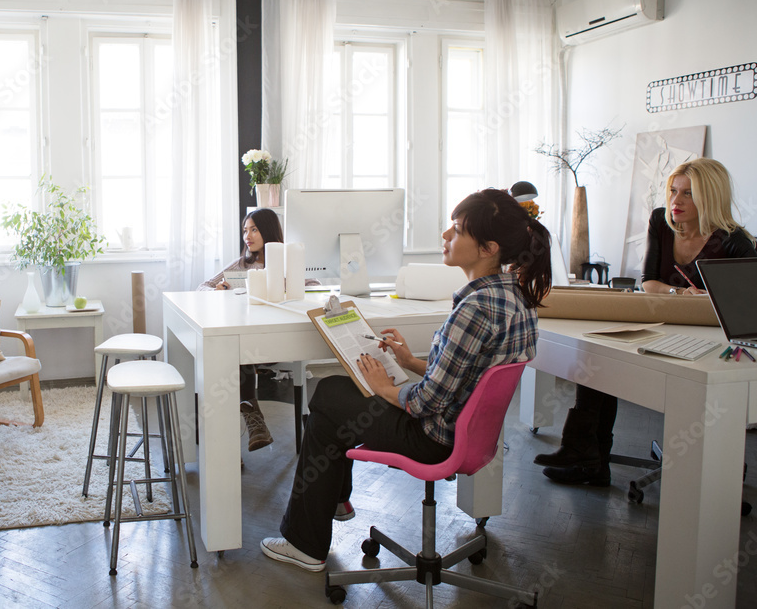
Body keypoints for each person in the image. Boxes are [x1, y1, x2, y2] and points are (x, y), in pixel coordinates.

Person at [260, 188, 553, 572]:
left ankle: (306, 540)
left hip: (432, 438)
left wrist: (385, 387)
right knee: (339, 397)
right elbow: (467, 376)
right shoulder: (515, 297)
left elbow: (425, 403)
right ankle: (334, 499)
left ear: (488, 248)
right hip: (470, 437)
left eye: (459, 230)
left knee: (329, 393)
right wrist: (411, 362)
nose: (447, 236)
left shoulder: (476, 307)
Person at [534, 158, 756, 485]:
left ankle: (712, 480)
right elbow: (648, 280)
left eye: (688, 194)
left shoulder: (736, 242)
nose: (675, 202)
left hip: (715, 340)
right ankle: (586, 455)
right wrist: (679, 294)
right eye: (673, 191)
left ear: (711, 196)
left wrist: (707, 299)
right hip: (664, 323)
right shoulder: (661, 221)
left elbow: (746, 309)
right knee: (600, 356)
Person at [198, 208, 285, 451]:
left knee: (233, 350)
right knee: (234, 347)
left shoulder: (287, 262)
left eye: (254, 229)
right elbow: (202, 286)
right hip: (246, 342)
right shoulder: (240, 265)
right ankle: (250, 424)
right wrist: (217, 291)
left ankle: (226, 444)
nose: (248, 235)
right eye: (245, 230)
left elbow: (313, 286)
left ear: (268, 231)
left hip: (278, 338)